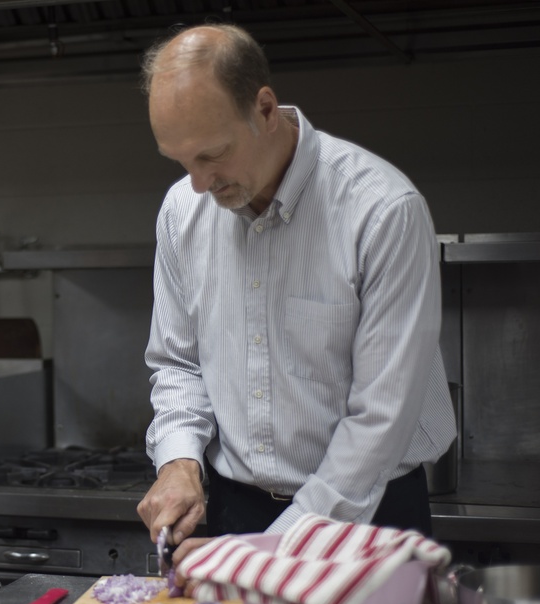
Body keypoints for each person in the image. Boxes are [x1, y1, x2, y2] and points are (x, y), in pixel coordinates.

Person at [135, 24, 457, 554]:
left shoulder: (382, 211)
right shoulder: (182, 211)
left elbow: (379, 421)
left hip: (369, 513)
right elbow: (179, 364)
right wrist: (179, 462)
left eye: (212, 155)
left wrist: (269, 549)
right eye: (181, 161)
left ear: (264, 109)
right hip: (236, 507)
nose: (198, 184)